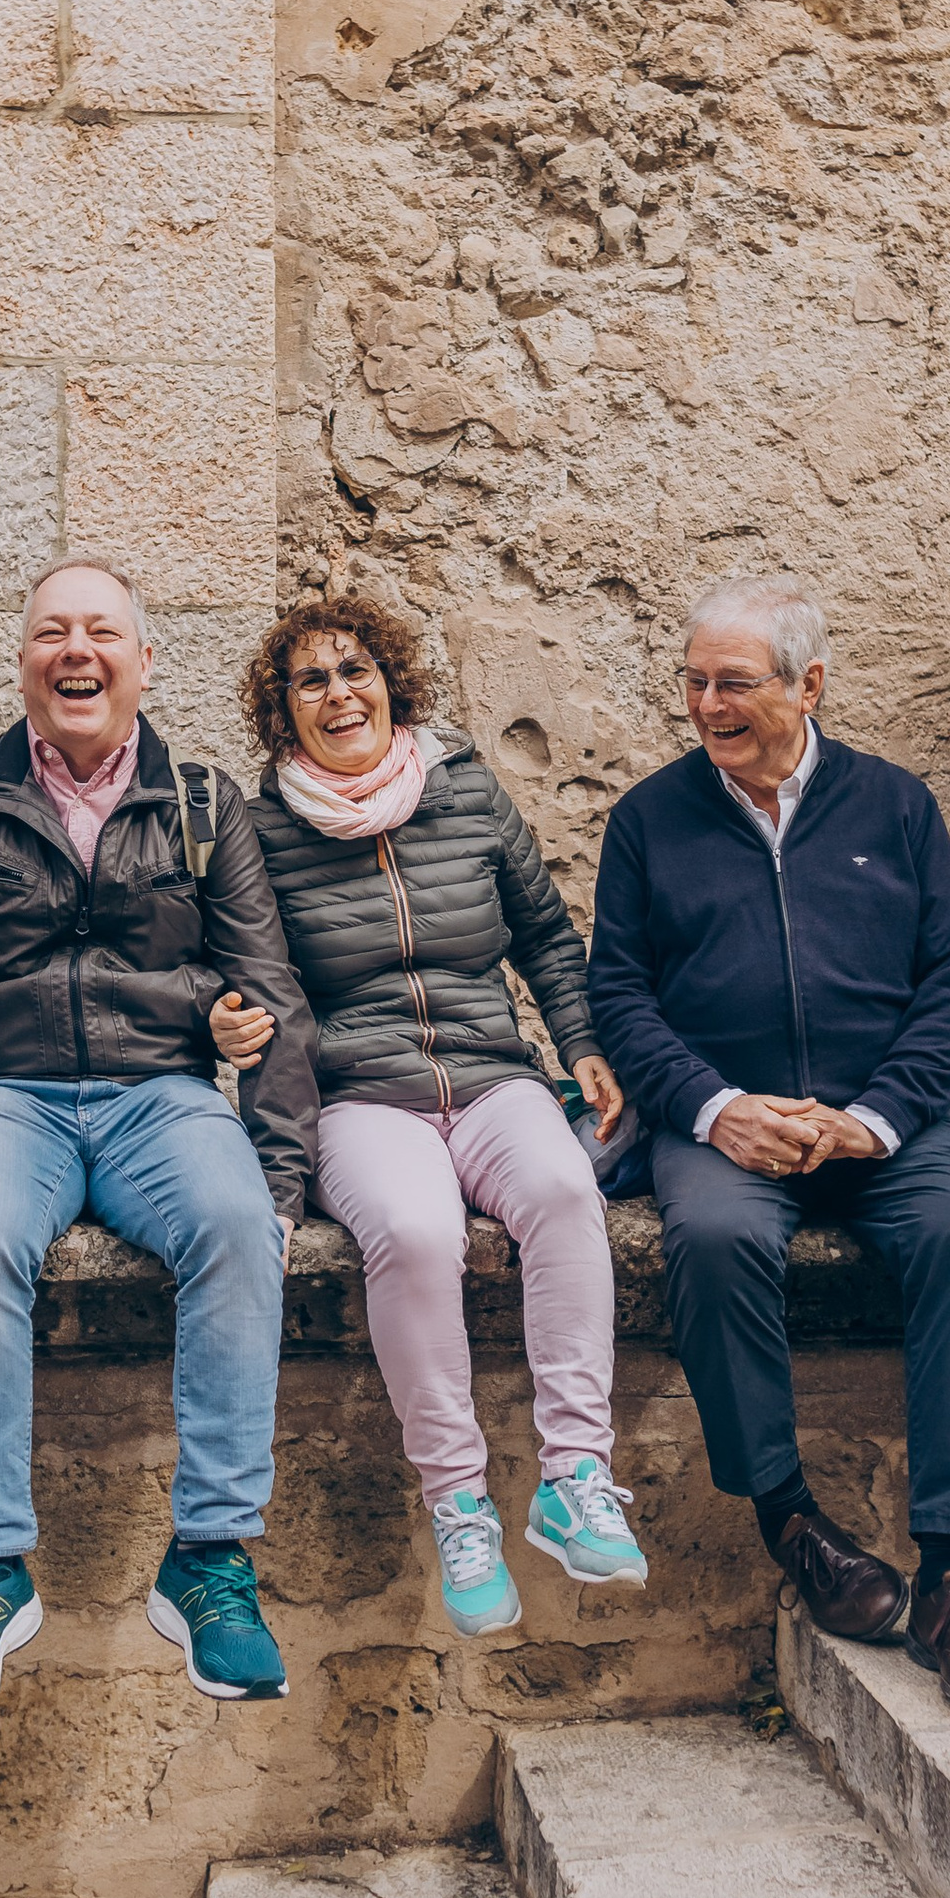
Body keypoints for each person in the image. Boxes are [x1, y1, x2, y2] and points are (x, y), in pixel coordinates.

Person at [0, 561, 318, 1712]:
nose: (77, 651)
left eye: (101, 632)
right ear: (22, 662)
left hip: (158, 1095)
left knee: (234, 1222)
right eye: (51, 633)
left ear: (143, 662)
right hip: (0, 1096)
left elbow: (273, 993)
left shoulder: (205, 805)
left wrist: (278, 1169)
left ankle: (209, 1556)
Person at [588, 575, 950, 1714]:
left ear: (808, 685)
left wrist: (877, 1114)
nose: (704, 705)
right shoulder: (649, 819)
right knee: (715, 1238)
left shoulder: (893, 805)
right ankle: (790, 1520)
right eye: (692, 682)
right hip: (723, 1120)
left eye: (732, 683)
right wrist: (714, 1106)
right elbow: (620, 998)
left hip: (887, 1119)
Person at [217, 591, 643, 1640]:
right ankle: (458, 1504)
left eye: (354, 670)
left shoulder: (464, 793)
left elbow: (544, 934)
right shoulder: (258, 831)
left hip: (494, 1073)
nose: (337, 693)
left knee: (560, 1189)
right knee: (413, 1233)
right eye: (309, 680)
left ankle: (574, 1476)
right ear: (283, 711)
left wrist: (580, 1044)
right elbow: (244, 981)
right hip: (360, 1096)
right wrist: (226, 1034)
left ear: (391, 683)